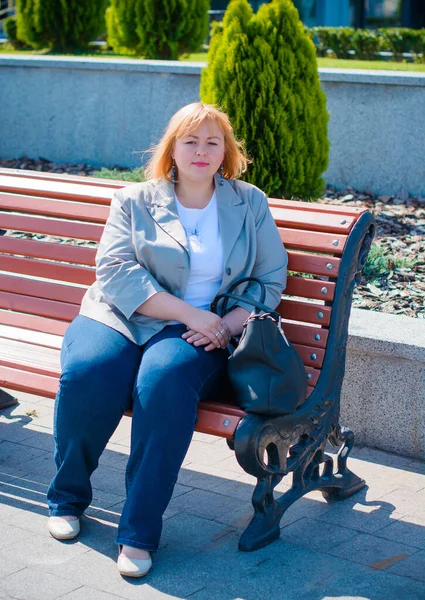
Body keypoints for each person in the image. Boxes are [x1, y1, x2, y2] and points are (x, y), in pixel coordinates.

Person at [46, 102, 288, 577]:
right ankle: (68, 498)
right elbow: (115, 273)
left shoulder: (248, 202)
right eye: (190, 141)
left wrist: (227, 323)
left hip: (198, 333)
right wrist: (190, 314)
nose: (201, 150)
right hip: (121, 315)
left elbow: (269, 280)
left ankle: (138, 532)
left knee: (163, 383)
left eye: (212, 142)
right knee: (89, 372)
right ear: (172, 149)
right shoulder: (134, 199)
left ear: (227, 152)